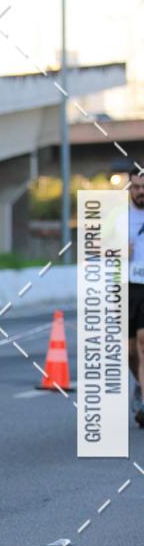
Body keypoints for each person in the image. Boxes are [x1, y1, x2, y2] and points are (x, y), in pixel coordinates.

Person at [128, 169, 144, 425]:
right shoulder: (117, 216)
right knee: (129, 350)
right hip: (124, 286)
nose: (141, 192)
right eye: (136, 187)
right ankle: (141, 386)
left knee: (143, 342)